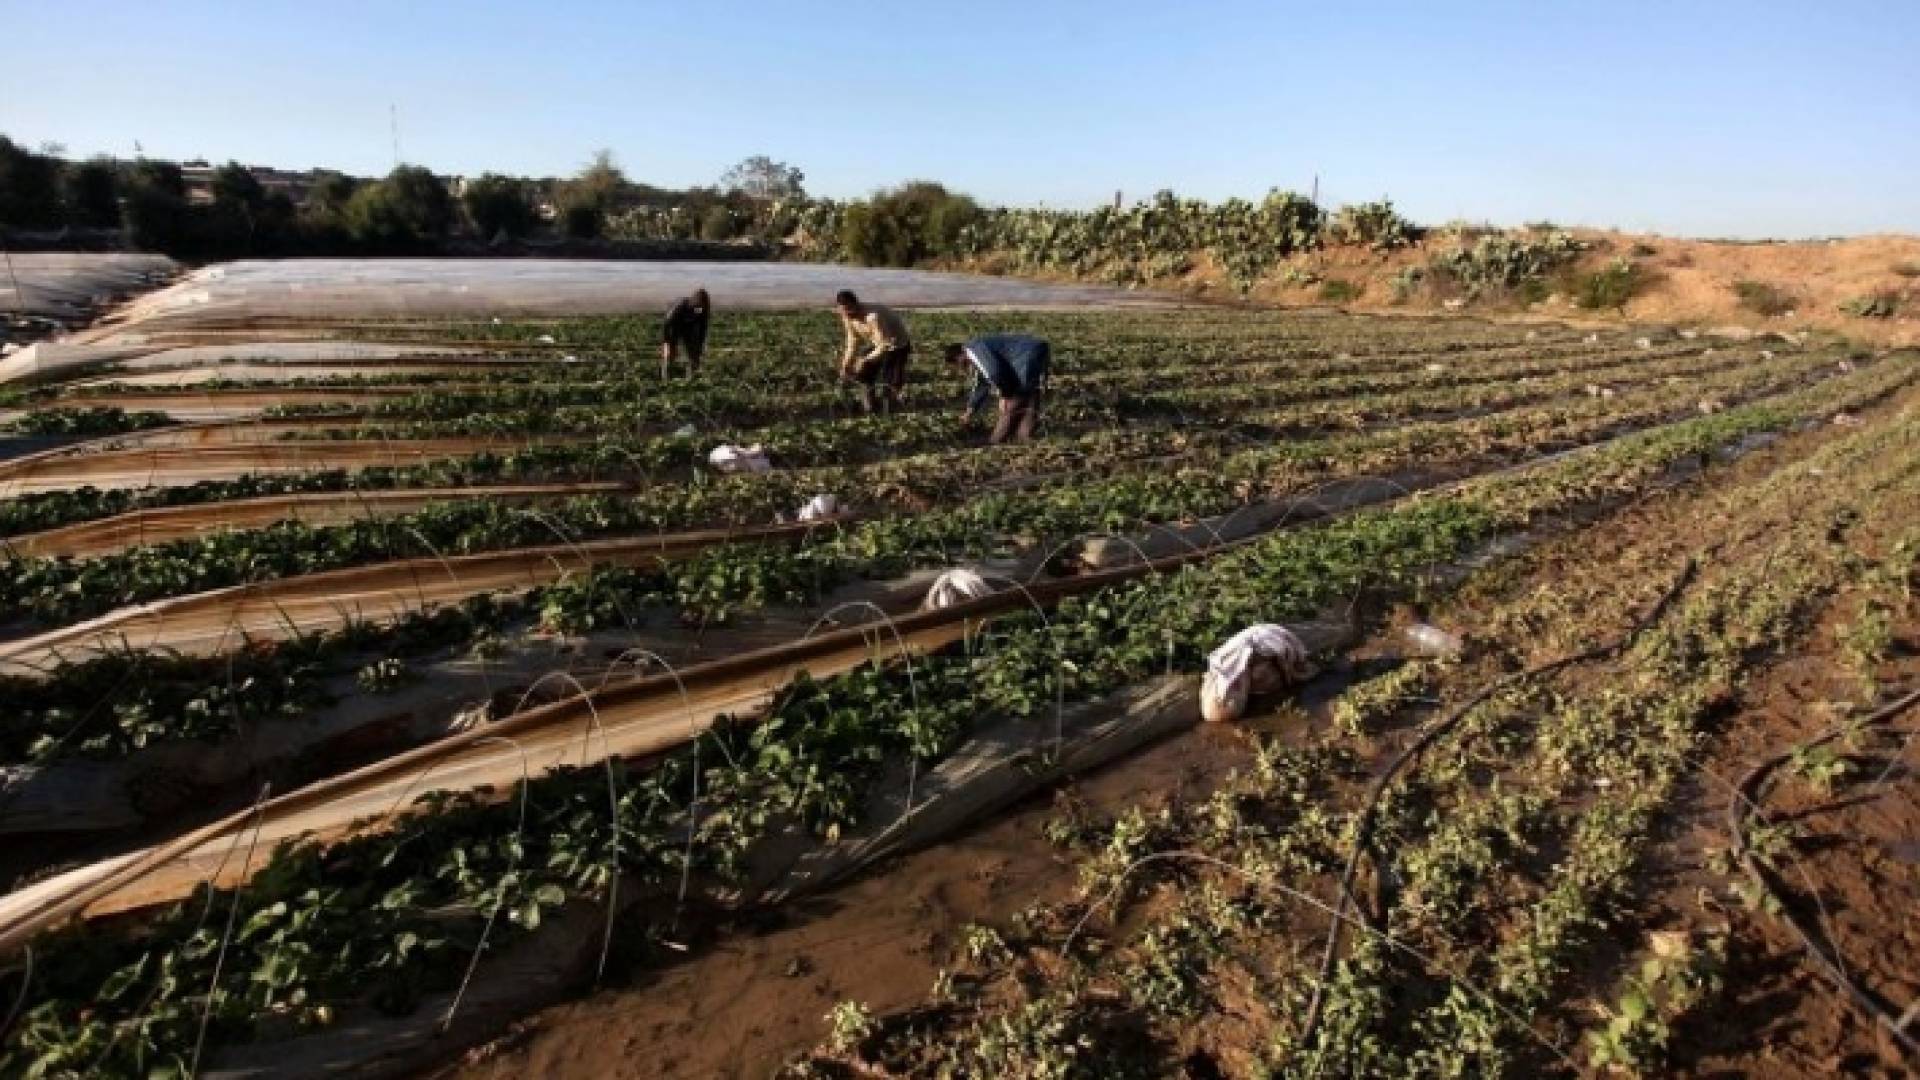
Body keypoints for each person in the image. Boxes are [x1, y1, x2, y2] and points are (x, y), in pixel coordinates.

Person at [946, 333, 1051, 444]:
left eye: (958, 363)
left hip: (1026, 354)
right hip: (1035, 349)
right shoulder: (976, 352)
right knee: (1029, 394)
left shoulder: (975, 350)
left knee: (1016, 397)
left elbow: (994, 373)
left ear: (960, 355)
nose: (961, 367)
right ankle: (1024, 435)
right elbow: (983, 383)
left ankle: (996, 439)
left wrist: (1004, 396)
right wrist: (970, 410)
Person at [834, 289, 912, 414]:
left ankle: (890, 406)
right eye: (843, 310)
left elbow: (884, 344)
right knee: (864, 374)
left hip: (897, 345)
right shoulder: (847, 315)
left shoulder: (873, 316)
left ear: (856, 305)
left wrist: (865, 360)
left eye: (849, 310)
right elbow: (853, 340)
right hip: (878, 344)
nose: (846, 314)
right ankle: (870, 405)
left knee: (891, 380)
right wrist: (846, 363)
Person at [660, 288, 710, 379]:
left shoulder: (702, 309)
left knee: (694, 353)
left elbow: (703, 327)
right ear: (695, 300)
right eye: (700, 304)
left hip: (688, 328)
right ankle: (666, 377)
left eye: (703, 305)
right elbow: (667, 323)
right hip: (674, 326)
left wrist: (700, 345)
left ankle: (692, 377)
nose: (701, 307)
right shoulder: (680, 305)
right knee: (670, 353)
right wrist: (666, 342)